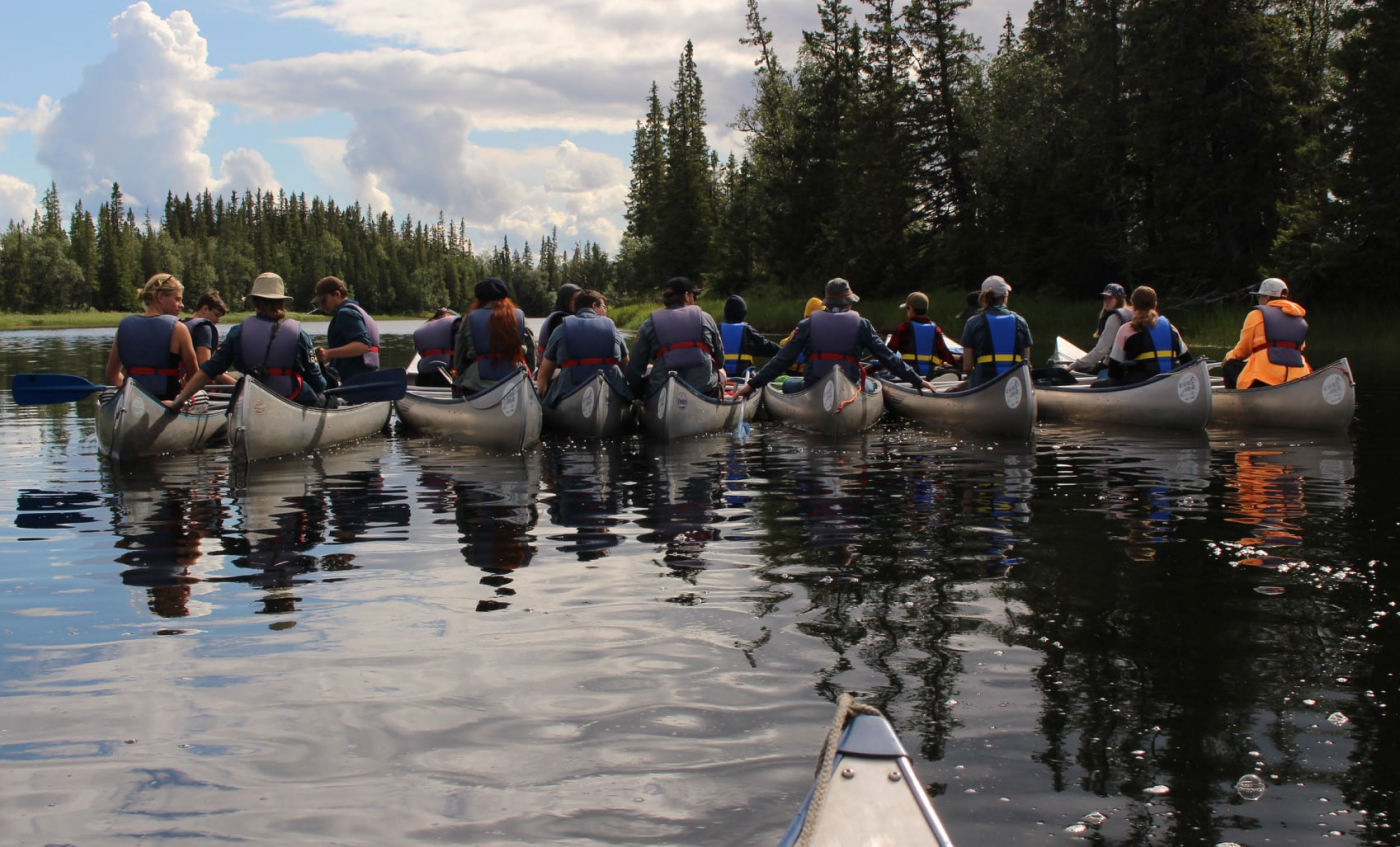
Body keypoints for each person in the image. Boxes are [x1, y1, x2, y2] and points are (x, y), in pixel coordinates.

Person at [734, 278, 939, 398]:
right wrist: (917, 381)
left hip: (812, 387)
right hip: (850, 388)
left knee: (787, 385)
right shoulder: (862, 324)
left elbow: (782, 360)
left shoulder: (807, 325)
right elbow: (888, 358)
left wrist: (752, 385)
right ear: (848, 301)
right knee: (874, 385)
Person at [164, 272, 328, 411]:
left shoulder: (238, 332)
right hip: (292, 402)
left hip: (251, 404)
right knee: (326, 400)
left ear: (255, 302)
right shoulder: (299, 334)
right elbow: (317, 382)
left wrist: (178, 401)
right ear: (281, 302)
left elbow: (208, 370)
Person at [105, 273, 200, 401]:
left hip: (133, 402)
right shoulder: (179, 329)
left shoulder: (124, 326)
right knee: (202, 395)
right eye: (177, 299)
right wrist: (182, 397)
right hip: (168, 403)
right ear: (160, 297)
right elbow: (195, 377)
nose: (181, 305)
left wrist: (129, 390)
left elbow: (112, 375)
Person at [626, 277, 725, 398]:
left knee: (647, 373)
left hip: (663, 391)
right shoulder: (706, 319)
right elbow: (720, 361)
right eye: (694, 296)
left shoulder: (648, 324)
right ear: (687, 296)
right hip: (703, 390)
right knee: (722, 372)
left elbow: (634, 368)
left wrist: (636, 395)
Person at [536, 289, 631, 405]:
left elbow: (543, 374)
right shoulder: (613, 330)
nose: (605, 311)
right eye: (604, 307)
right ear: (594, 306)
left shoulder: (561, 330)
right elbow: (627, 369)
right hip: (612, 394)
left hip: (568, 394)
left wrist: (541, 399)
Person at [1221, 277, 1312, 390]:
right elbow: (1297, 347)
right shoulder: (1300, 320)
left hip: (1264, 377)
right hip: (1297, 377)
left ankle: (1236, 403)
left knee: (1230, 364)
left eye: (1259, 296)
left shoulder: (1256, 315)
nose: (1259, 300)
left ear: (1267, 297)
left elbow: (1243, 351)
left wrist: (1228, 357)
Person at [453, 277, 536, 395]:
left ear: (479, 300)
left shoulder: (470, 320)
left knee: (457, 383)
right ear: (505, 298)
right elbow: (531, 355)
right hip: (514, 379)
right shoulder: (519, 317)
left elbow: (459, 360)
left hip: (477, 383)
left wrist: (460, 375)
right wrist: (529, 373)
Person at [1104, 285, 1191, 385]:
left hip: (1140, 383)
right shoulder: (1171, 328)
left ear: (1134, 306)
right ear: (1155, 304)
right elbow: (1187, 361)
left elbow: (1114, 371)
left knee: (1096, 385)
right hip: (1171, 381)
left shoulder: (1126, 329)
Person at [960, 275, 1032, 388]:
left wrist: (972, 379)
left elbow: (967, 367)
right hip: (1015, 385)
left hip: (983, 384)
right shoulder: (1020, 322)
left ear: (983, 297)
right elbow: (1026, 362)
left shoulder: (973, 323)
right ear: (1005, 296)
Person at [313, 276, 380, 384]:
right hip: (366, 378)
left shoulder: (345, 313)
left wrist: (327, 353)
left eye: (324, 300)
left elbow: (363, 346)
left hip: (357, 382)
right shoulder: (356, 310)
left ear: (337, 294)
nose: (322, 306)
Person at [886, 291, 961, 377]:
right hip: (930, 375)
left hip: (908, 374)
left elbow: (887, 354)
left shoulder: (903, 328)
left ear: (911, 309)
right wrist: (958, 368)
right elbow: (945, 355)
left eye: (907, 309)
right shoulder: (936, 330)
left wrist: (872, 369)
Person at [1070, 284, 1131, 375]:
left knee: (1075, 371)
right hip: (1129, 365)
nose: (1107, 301)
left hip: (1113, 367)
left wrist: (1074, 366)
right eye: (1105, 298)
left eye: (1110, 298)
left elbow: (1100, 351)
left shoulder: (1114, 318)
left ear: (1119, 299)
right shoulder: (1131, 314)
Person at [719, 294, 782, 378]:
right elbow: (764, 343)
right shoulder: (746, 329)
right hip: (744, 373)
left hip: (722, 373)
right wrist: (783, 351)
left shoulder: (717, 328)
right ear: (743, 313)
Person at [183, 290, 237, 386]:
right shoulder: (204, 328)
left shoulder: (183, 324)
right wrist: (235, 384)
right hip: (198, 385)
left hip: (183, 379)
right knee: (239, 376)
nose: (217, 320)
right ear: (205, 309)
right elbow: (206, 366)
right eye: (216, 315)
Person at [412, 307, 461, 387]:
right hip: (448, 377)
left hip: (423, 379)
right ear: (449, 315)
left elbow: (420, 353)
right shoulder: (455, 323)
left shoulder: (421, 329)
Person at [778, 297, 824, 377]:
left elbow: (784, 343)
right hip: (806, 371)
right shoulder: (822, 332)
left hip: (791, 370)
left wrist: (783, 341)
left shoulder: (800, 329)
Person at [536, 283, 582, 358]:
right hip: (553, 366)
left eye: (580, 299)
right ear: (565, 300)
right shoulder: (559, 319)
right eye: (574, 299)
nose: (578, 303)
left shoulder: (560, 316)